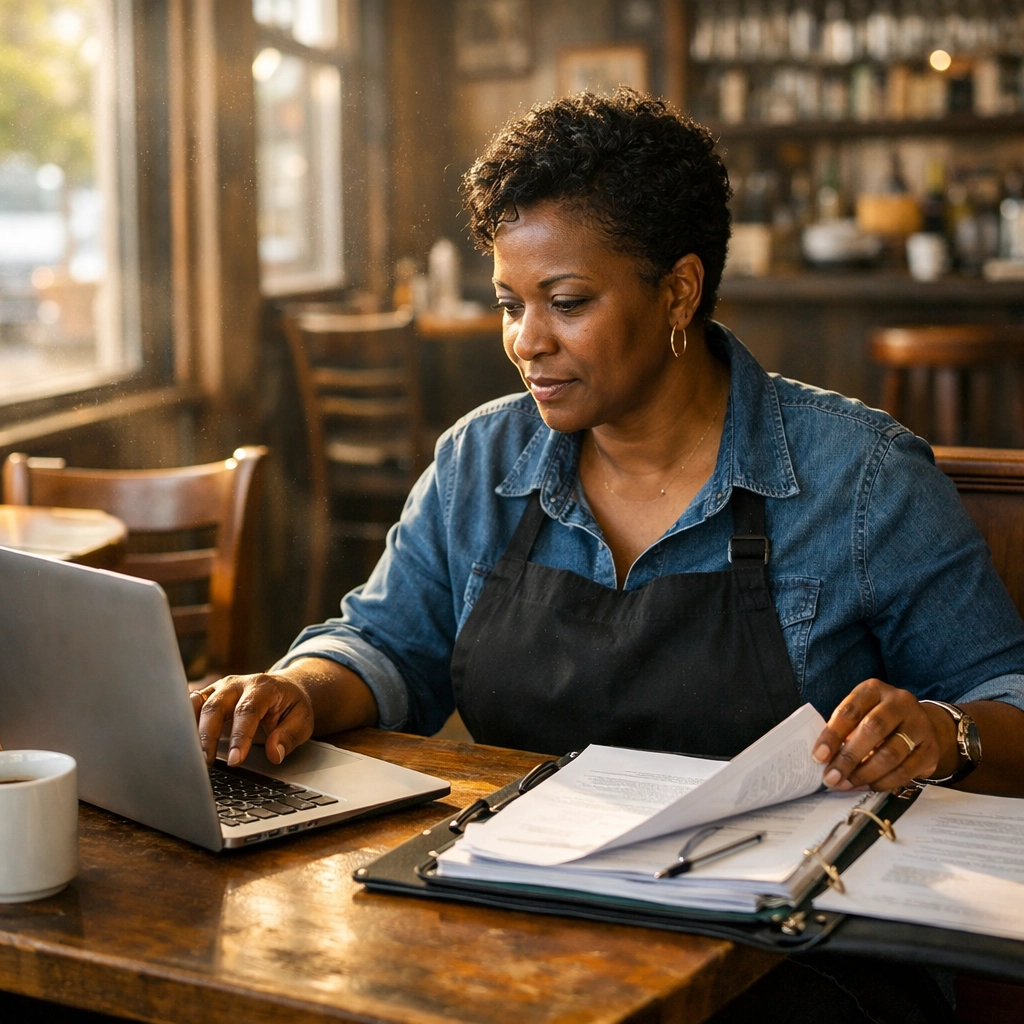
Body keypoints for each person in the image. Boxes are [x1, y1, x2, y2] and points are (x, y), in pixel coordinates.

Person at [193, 87, 1024, 1022]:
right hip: (529, 930)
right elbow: (387, 644)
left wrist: (940, 733)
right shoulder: (483, 459)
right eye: (510, 304)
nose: (525, 342)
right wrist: (297, 687)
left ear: (679, 288)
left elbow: (1011, 697)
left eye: (567, 302)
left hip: (791, 958)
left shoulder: (860, 476)